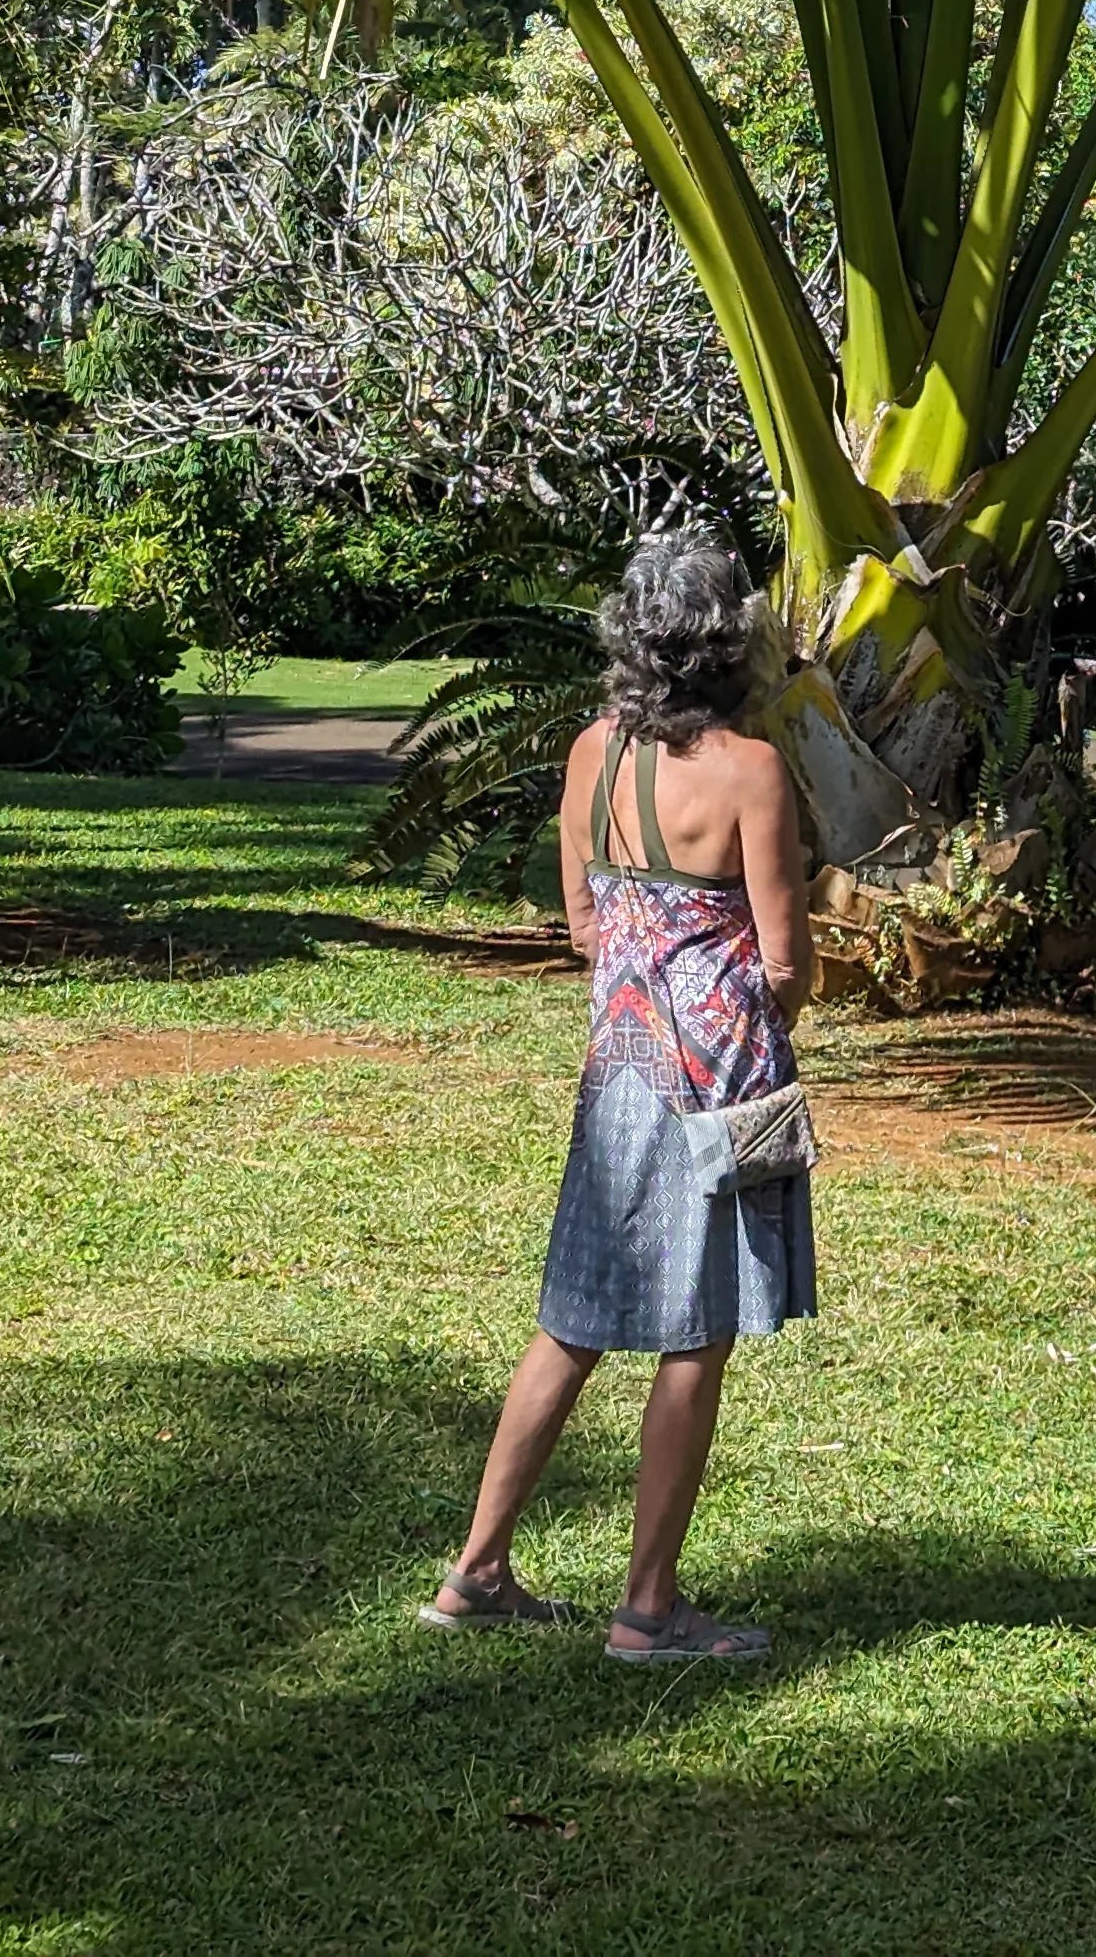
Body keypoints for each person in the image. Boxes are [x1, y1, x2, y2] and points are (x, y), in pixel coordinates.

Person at [424, 527, 815, 1666]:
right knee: (696, 1336)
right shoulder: (750, 770)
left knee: (573, 1320)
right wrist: (743, 1020)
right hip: (715, 1085)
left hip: (617, 1073)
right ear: (731, 641)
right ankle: (649, 1610)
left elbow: (590, 922)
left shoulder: (593, 750)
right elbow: (787, 963)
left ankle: (477, 1570)